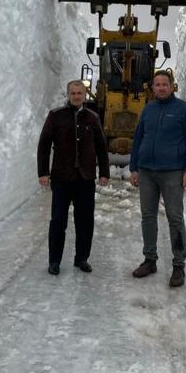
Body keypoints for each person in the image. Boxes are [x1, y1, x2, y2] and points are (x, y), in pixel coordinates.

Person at [129, 70, 186, 287]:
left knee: (175, 217)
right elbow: (138, 138)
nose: (160, 87)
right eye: (157, 84)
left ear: (172, 86)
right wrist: (134, 167)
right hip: (147, 171)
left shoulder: (183, 110)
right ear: (153, 87)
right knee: (148, 216)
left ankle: (179, 265)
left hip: (172, 172)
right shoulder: (148, 109)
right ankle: (150, 260)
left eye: (164, 84)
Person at [38, 80, 110, 276]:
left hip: (85, 178)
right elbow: (44, 145)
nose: (77, 96)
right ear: (68, 94)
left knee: (85, 221)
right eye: (73, 93)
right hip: (61, 177)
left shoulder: (93, 117)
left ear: (85, 95)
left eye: (80, 93)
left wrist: (104, 172)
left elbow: (101, 148)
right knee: (58, 221)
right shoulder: (56, 116)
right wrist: (43, 172)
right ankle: (54, 261)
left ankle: (82, 258)